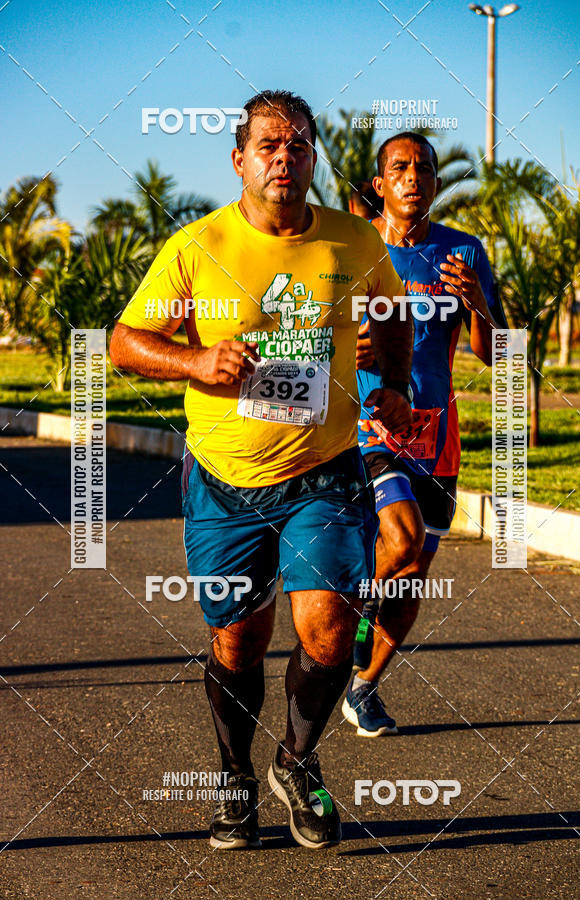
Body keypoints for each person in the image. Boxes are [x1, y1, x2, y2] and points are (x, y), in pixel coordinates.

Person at [110, 91, 413, 850]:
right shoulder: (198, 247)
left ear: (313, 158)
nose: (285, 158)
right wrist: (194, 360)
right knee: (238, 644)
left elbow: (395, 316)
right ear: (239, 159)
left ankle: (297, 763)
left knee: (329, 628)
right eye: (270, 146)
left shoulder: (354, 241)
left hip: (325, 470)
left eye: (300, 145)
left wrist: (397, 387)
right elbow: (123, 340)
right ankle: (233, 775)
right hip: (224, 480)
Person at [343, 132, 505, 737]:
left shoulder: (463, 252)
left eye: (425, 169)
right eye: (399, 168)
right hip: (370, 423)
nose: (413, 177)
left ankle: (363, 687)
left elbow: (496, 356)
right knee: (402, 539)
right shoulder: (354, 249)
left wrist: (479, 305)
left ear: (437, 183)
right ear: (380, 185)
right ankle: (357, 617)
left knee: (413, 574)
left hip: (437, 433)